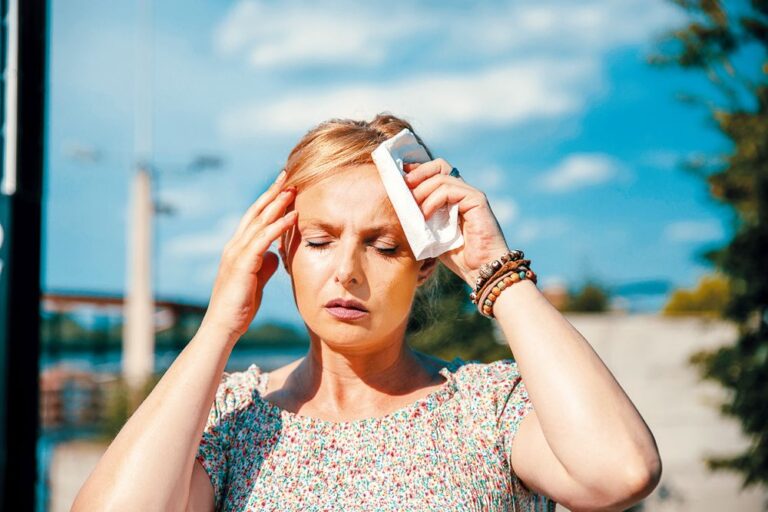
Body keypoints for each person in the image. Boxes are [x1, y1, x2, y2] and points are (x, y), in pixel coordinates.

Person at [72, 114, 661, 511]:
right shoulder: (230, 420)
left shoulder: (489, 409)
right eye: (321, 240)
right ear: (283, 249)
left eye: (383, 246)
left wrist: (496, 271)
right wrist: (219, 326)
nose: (347, 271)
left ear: (426, 264)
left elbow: (621, 473)